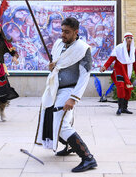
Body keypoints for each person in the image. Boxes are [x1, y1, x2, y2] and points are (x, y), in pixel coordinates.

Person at [34, 17, 97, 173]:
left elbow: (85, 75)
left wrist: (73, 98)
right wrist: (52, 66)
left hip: (69, 90)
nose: (63, 34)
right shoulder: (58, 44)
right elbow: (58, 64)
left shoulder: (83, 48)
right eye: (62, 30)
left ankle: (88, 158)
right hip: (54, 88)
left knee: (62, 124)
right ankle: (69, 146)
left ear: (76, 32)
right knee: (49, 118)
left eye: (67, 32)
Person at [100, 32, 136, 115]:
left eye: (130, 38)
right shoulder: (119, 48)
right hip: (119, 70)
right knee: (121, 87)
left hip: (128, 72)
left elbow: (135, 63)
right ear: (125, 39)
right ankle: (119, 108)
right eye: (128, 38)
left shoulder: (133, 49)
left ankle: (124, 108)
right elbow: (111, 58)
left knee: (128, 89)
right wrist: (105, 67)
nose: (129, 39)